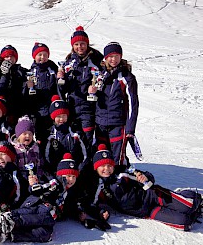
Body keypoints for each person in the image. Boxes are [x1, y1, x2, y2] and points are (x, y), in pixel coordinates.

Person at [81, 144, 203, 231]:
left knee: (188, 204)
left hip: (153, 195)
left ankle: (194, 197)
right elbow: (92, 204)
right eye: (102, 166)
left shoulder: (122, 173)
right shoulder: (97, 186)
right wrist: (101, 213)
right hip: (146, 211)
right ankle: (197, 212)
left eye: (109, 165)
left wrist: (144, 177)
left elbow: (148, 176)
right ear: (96, 167)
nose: (106, 169)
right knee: (184, 224)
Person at [0, 153, 110, 243]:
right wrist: (35, 186)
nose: (70, 179)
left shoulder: (73, 193)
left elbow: (74, 207)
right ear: (60, 175)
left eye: (73, 176)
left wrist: (82, 217)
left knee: (46, 234)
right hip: (37, 205)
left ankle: (10, 234)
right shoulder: (55, 184)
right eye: (67, 176)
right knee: (47, 213)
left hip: (49, 217)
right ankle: (12, 218)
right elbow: (38, 188)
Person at [88, 42, 139, 172]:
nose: (113, 59)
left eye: (116, 56)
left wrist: (130, 128)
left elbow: (134, 104)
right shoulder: (100, 75)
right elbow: (94, 100)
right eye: (110, 56)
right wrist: (92, 92)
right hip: (100, 123)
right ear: (105, 58)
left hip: (118, 123)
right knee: (102, 155)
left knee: (117, 157)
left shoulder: (127, 77)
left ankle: (118, 181)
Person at [57, 26, 104, 157]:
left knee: (87, 139)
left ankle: (87, 165)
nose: (80, 47)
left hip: (89, 108)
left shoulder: (96, 60)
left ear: (87, 44)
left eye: (82, 44)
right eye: (76, 44)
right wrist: (61, 80)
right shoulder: (68, 62)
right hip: (72, 108)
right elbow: (63, 88)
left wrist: (96, 89)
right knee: (73, 139)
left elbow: (102, 81)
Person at [22, 42, 58, 143]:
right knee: (40, 136)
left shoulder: (52, 70)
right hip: (37, 110)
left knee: (52, 135)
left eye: (45, 55)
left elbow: (57, 87)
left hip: (50, 107)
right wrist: (28, 86)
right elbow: (25, 93)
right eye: (39, 55)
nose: (42, 57)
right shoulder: (31, 71)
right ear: (34, 56)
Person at [44, 95, 87, 176]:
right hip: (58, 172)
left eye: (64, 116)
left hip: (74, 171)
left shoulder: (75, 132)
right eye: (58, 116)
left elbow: (84, 153)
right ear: (53, 117)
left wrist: (79, 168)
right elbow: (47, 157)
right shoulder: (50, 135)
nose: (61, 119)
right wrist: (54, 171)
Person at [0, 45, 28, 125]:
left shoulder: (22, 72)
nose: (9, 59)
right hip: (4, 109)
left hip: (20, 107)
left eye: (11, 56)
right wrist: (5, 75)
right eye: (6, 57)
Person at [11, 116, 46, 182]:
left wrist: (39, 176)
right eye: (25, 134)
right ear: (18, 136)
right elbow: (13, 166)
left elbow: (40, 163)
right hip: (21, 178)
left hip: (34, 177)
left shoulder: (36, 148)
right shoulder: (15, 149)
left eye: (30, 134)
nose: (28, 136)